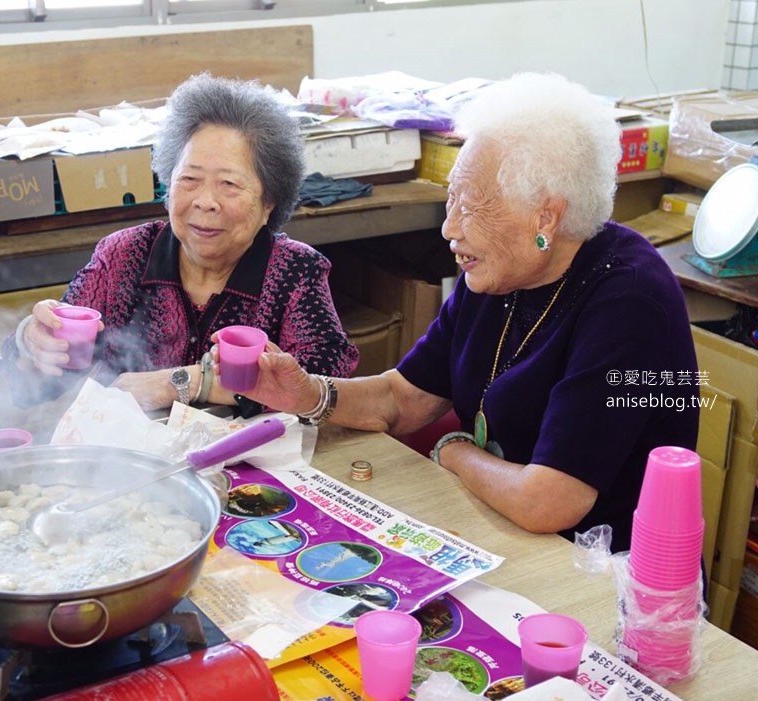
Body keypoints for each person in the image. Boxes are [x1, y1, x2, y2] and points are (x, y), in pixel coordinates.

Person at [230, 73, 700, 553]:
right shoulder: (500, 269)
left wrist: (453, 451)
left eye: (471, 205)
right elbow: (404, 399)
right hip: (502, 526)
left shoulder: (630, 303)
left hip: (604, 568)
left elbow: (548, 503)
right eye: (451, 197)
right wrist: (309, 393)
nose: (449, 228)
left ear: (546, 217)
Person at [7, 73, 358, 412]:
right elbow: (31, 390)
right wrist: (32, 344)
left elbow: (325, 389)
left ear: (269, 203)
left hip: (252, 463)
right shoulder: (123, 256)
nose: (205, 201)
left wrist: (183, 382)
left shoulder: (295, 271)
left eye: (229, 184)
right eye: (189, 179)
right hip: (130, 461)